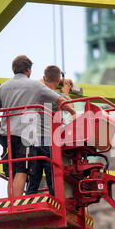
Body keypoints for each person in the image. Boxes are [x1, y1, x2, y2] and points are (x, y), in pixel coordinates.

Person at [0, 56, 77, 197]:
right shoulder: (35, 86)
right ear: (29, 70)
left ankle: (12, 201)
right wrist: (73, 111)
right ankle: (17, 202)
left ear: (13, 69)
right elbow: (60, 100)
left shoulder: (3, 86)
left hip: (6, 135)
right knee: (22, 169)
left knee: (11, 169)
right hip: (25, 134)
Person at [25, 65, 74, 196]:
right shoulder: (57, 97)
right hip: (48, 140)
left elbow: (40, 84)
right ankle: (56, 199)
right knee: (52, 173)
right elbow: (70, 105)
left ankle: (29, 199)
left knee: (34, 176)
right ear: (58, 80)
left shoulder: (37, 92)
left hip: (33, 140)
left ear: (44, 77)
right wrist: (66, 91)